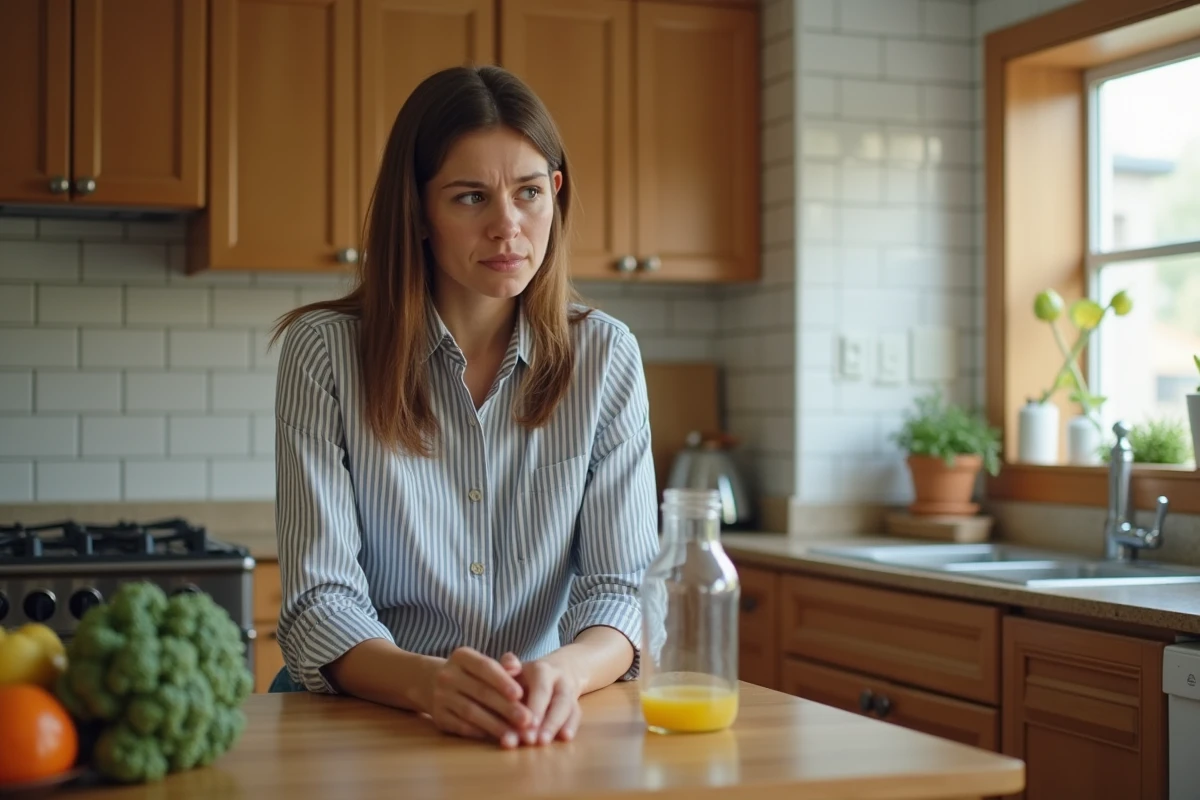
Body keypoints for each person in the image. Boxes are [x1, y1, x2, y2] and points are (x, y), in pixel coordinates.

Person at [267, 64, 659, 751]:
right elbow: (318, 604)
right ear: (417, 212)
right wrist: (430, 683)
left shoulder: (606, 355)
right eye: (471, 197)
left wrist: (558, 676)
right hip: (370, 722)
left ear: (555, 194)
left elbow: (622, 593)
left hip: (538, 721)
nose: (508, 226)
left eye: (529, 193)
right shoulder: (323, 354)